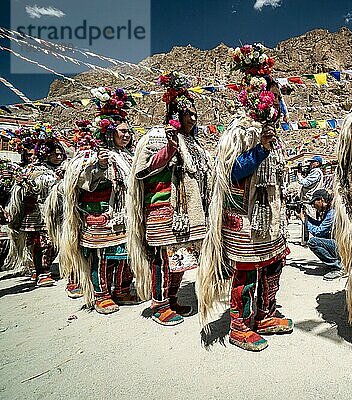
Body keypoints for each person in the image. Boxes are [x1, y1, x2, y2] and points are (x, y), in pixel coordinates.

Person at [197, 43, 292, 352]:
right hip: (245, 218)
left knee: (274, 264)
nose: (276, 101)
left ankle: (264, 315)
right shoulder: (239, 132)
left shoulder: (272, 133)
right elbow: (230, 173)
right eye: (271, 94)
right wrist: (260, 149)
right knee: (249, 268)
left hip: (269, 215)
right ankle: (239, 325)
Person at [128, 72, 211, 326]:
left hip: (188, 212)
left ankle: (172, 298)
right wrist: (170, 148)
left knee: (180, 258)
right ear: (176, 114)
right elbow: (145, 168)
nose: (193, 119)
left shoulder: (194, 142)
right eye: (189, 114)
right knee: (163, 260)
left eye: (196, 115)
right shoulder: (156, 136)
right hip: (164, 208)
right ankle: (159, 305)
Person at [60, 88, 139, 313]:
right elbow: (82, 181)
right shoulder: (91, 155)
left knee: (126, 255)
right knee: (102, 256)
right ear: (108, 133)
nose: (127, 136)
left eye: (128, 132)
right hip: (100, 213)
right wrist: (100, 167)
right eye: (122, 132)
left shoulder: (130, 157)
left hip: (125, 213)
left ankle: (122, 289)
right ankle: (101, 294)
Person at [6, 124, 66, 286]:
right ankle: (41, 272)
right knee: (40, 243)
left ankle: (42, 268)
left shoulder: (64, 169)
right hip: (37, 214)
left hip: (57, 213)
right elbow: (30, 189)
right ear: (45, 155)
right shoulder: (35, 169)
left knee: (54, 243)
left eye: (60, 154)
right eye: (54, 154)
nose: (58, 156)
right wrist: (24, 184)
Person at [299, 188, 342, 280]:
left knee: (313, 242)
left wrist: (304, 221)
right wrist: (307, 219)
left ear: (321, 200)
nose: (314, 206)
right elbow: (321, 227)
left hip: (341, 246)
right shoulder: (329, 210)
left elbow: (318, 232)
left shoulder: (332, 213)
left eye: (314, 202)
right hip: (338, 243)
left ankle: (338, 267)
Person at [298, 156, 323, 244]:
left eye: (313, 162)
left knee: (310, 219)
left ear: (318, 163)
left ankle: (311, 240)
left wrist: (299, 176)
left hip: (310, 200)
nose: (311, 164)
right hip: (308, 200)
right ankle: (306, 240)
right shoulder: (314, 172)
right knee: (306, 219)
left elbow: (305, 183)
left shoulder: (316, 172)